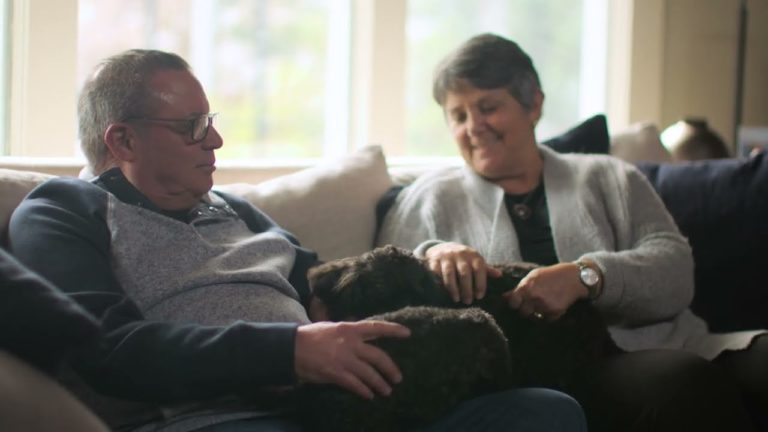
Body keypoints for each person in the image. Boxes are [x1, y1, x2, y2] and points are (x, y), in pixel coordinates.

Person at [7, 48, 588, 432]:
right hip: (213, 418)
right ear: (124, 141)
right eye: (193, 127)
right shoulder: (61, 210)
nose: (217, 140)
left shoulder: (236, 210)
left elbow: (330, 290)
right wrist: (289, 352)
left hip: (330, 403)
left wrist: (431, 263)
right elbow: (109, 350)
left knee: (545, 413)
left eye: (210, 120)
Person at [377, 33, 768, 432]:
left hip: (672, 341)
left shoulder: (607, 175)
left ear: (533, 104)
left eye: (488, 107)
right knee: (681, 382)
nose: (473, 126)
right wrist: (433, 253)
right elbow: (381, 294)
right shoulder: (427, 199)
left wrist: (587, 277)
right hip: (557, 376)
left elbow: (675, 272)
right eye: (458, 116)